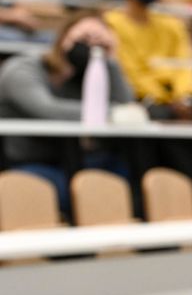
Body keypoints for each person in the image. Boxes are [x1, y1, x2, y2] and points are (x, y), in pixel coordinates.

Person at [0, 11, 133, 213]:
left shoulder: (89, 75)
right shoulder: (22, 68)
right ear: (63, 37)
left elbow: (127, 107)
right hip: (27, 163)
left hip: (77, 160)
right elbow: (47, 109)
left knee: (126, 180)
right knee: (82, 194)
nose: (88, 46)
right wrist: (113, 114)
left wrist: (110, 60)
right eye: (83, 38)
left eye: (97, 43)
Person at [104, 0, 192, 121]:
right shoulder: (111, 23)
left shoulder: (172, 26)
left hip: (176, 100)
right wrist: (164, 99)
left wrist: (184, 97)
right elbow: (128, 72)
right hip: (139, 99)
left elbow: (183, 64)